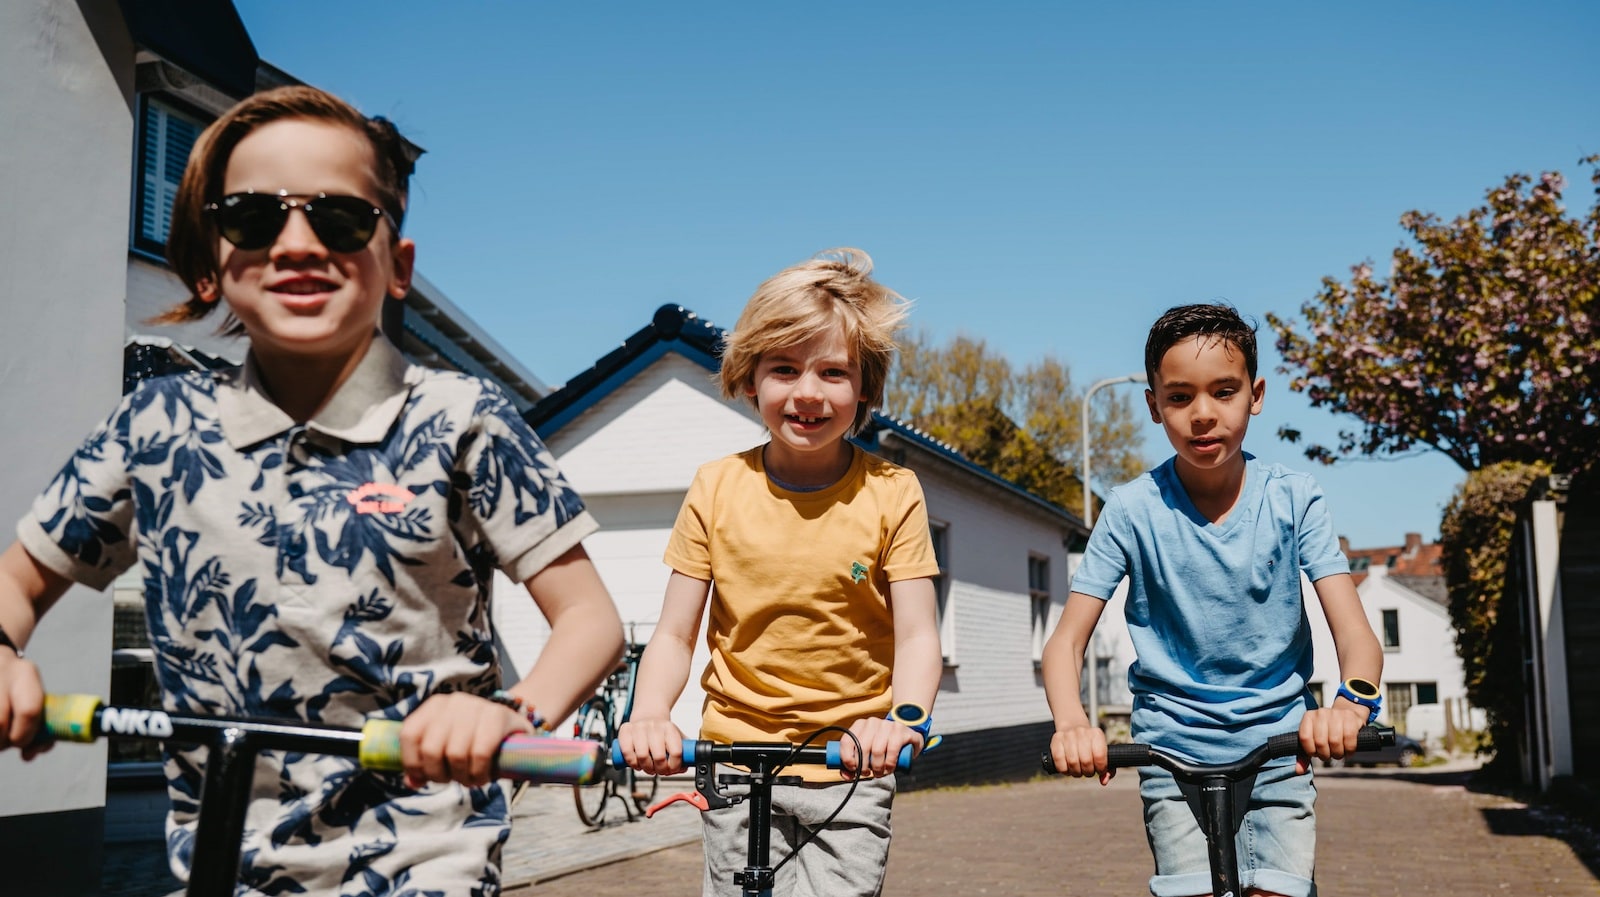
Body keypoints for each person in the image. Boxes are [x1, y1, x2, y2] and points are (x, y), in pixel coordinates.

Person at [0, 85, 623, 894]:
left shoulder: (463, 419)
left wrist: (513, 709)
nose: (296, 244)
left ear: (397, 266)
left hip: (423, 857)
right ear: (210, 260)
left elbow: (590, 618)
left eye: (338, 219)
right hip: (221, 857)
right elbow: (19, 580)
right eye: (255, 218)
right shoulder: (153, 428)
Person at [617, 248, 943, 897]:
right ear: (749, 378)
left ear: (866, 388)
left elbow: (916, 634)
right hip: (733, 762)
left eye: (833, 372)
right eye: (785, 369)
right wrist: (650, 711)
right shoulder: (716, 486)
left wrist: (902, 719)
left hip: (849, 764)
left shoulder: (893, 491)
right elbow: (677, 632)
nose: (808, 393)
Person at [1042, 303, 1384, 897]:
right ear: (1153, 405)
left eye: (1223, 392)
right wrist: (1073, 724)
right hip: (1169, 749)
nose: (1203, 415)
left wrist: (1350, 707)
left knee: (1278, 890)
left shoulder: (1294, 499)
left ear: (1254, 395)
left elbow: (1355, 635)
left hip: (1280, 744)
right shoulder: (1130, 510)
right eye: (1179, 398)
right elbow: (1066, 643)